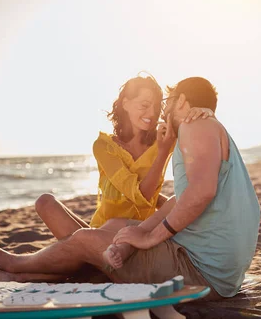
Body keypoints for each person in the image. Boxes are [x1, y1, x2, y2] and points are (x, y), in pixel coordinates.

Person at [0, 77, 260, 300]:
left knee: (85, 239)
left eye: (168, 102)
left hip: (200, 274)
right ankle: (25, 278)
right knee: (115, 225)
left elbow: (200, 194)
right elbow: (182, 198)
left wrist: (150, 238)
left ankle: (16, 265)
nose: (164, 110)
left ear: (182, 101)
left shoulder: (193, 126)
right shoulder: (210, 128)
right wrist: (141, 232)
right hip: (221, 275)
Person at [32, 74, 213, 252]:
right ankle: (87, 257)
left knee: (75, 250)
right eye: (144, 105)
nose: (152, 113)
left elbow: (199, 139)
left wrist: (205, 113)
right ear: (125, 103)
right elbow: (138, 195)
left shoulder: (164, 141)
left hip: (137, 235)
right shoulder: (104, 146)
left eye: (157, 107)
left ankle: (84, 260)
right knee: (45, 202)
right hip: (102, 230)